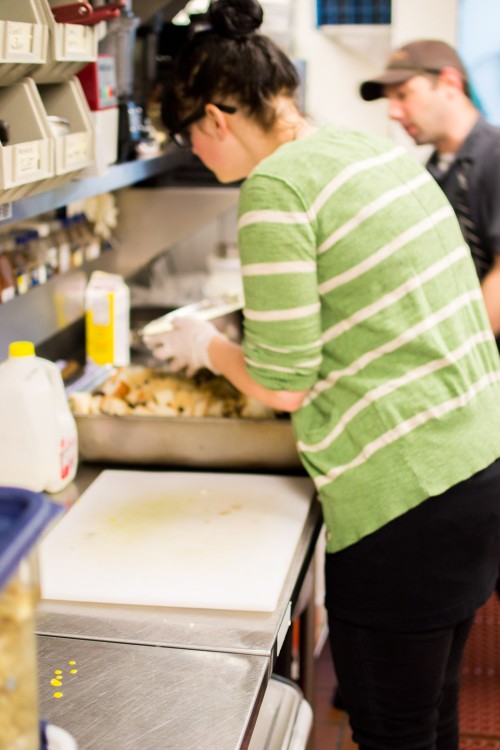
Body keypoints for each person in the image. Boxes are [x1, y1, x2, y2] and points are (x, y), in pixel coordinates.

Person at [147, 2, 500, 747]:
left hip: (403, 499)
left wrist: (204, 345)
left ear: (215, 117)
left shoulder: (276, 187)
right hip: (474, 466)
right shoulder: (358, 148)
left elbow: (283, 383)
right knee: (430, 716)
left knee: (391, 730)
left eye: (189, 140)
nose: (198, 158)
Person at [359, 39, 500, 345]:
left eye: (403, 95)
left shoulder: (496, 156)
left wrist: (458, 351)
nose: (394, 113)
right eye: (389, 100)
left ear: (449, 82)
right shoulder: (432, 173)